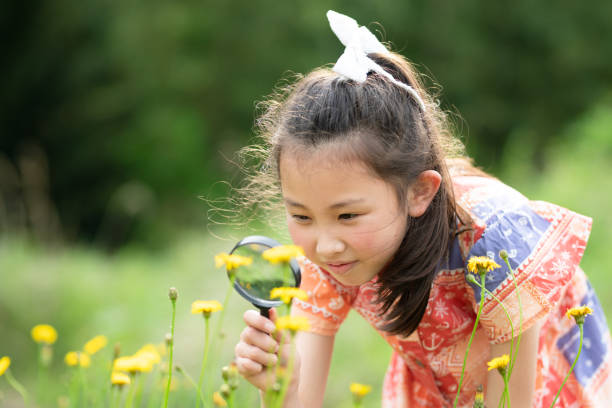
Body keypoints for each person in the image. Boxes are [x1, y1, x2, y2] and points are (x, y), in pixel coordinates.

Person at [232, 10, 612, 407]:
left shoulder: (493, 240)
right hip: (437, 388)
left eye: (348, 215)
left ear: (419, 192)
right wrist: (281, 389)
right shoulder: (327, 258)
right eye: (301, 216)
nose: (325, 245)